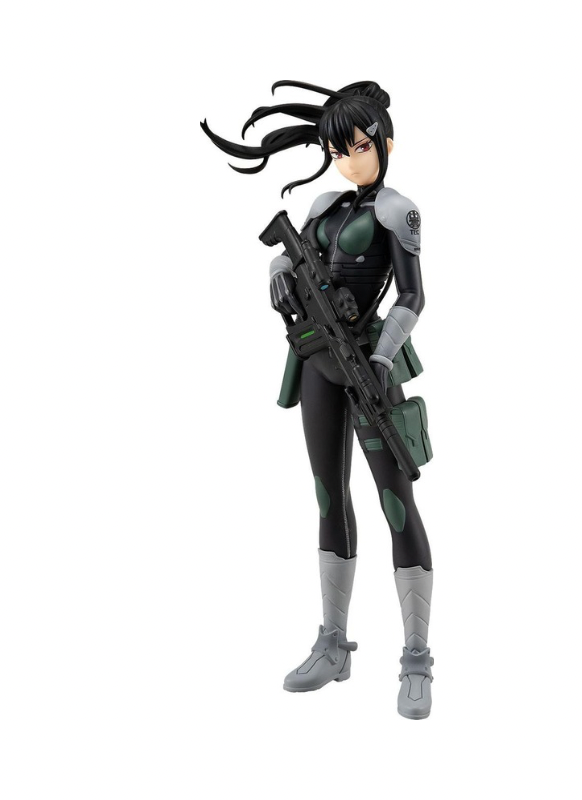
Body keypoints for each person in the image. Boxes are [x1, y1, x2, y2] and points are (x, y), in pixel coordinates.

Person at [201, 80, 434, 719]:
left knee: (396, 502)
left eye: (359, 147)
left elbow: (412, 297)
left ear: (384, 143)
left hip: (366, 359)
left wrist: (382, 357)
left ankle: (416, 657)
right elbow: (288, 259)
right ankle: (333, 643)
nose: (349, 161)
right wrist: (278, 276)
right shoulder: (324, 205)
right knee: (329, 496)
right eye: (337, 151)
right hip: (315, 361)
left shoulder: (398, 211)